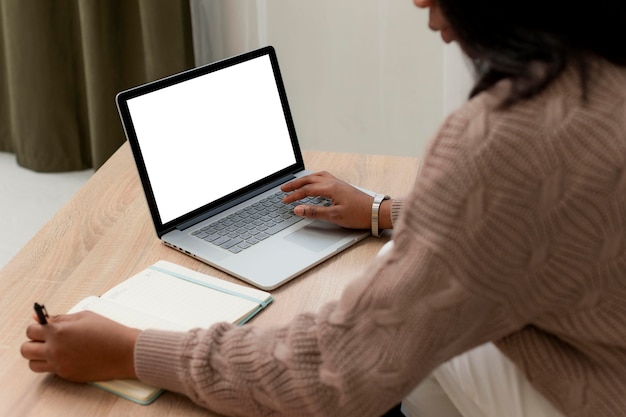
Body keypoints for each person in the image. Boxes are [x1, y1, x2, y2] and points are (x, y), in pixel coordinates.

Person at [21, 0, 626, 416]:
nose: (418, 2)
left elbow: (332, 373)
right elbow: (539, 223)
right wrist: (383, 210)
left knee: (411, 335)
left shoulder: (504, 139)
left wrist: (130, 350)